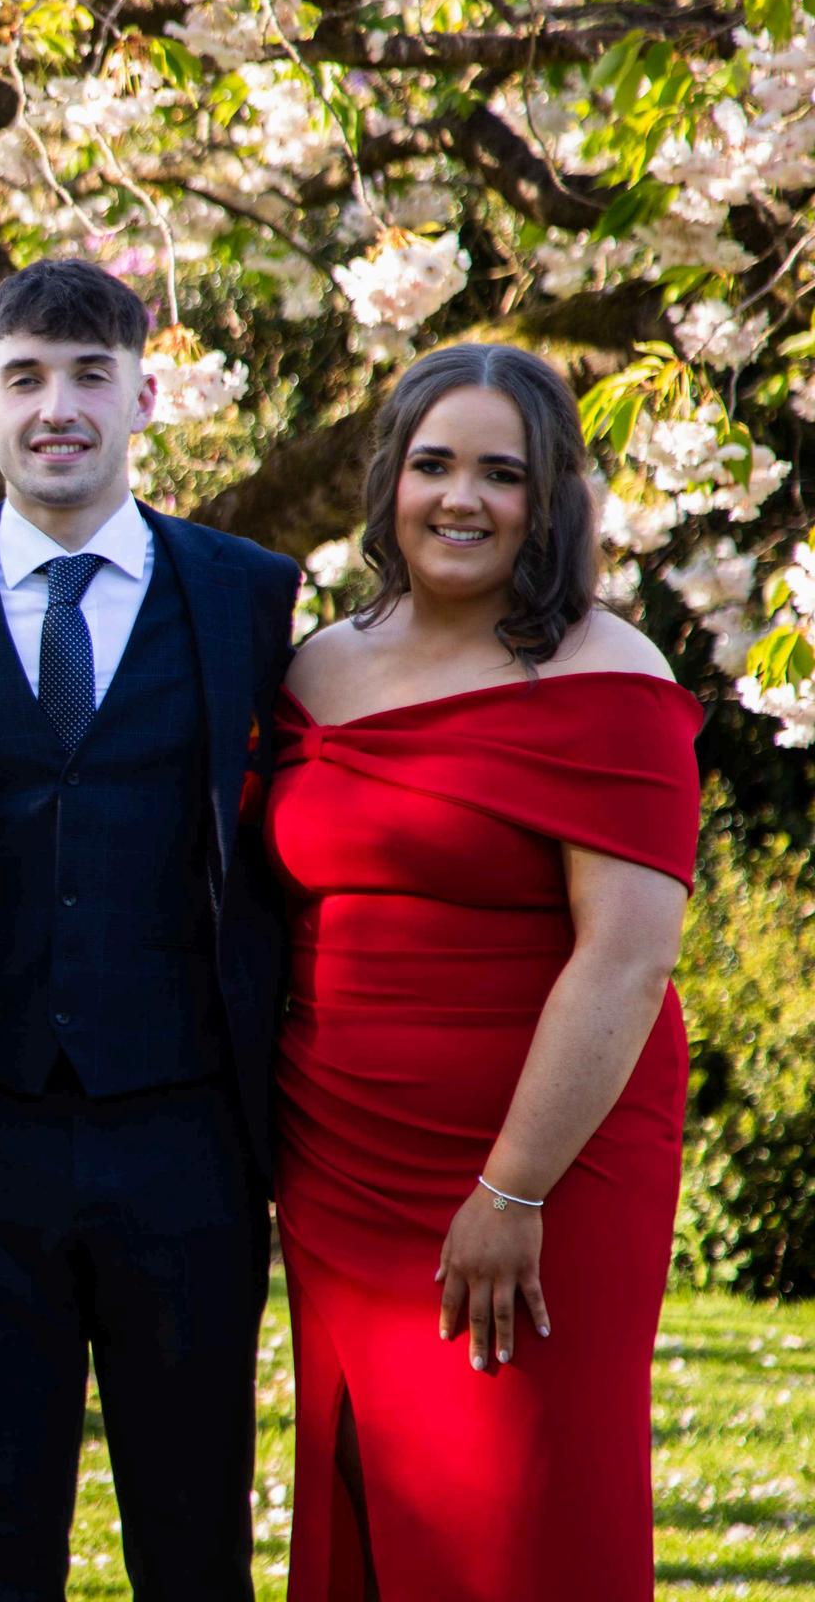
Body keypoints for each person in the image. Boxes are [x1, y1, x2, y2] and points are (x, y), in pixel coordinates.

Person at [0, 258, 300, 1600]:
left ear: (144, 397)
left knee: (194, 1538)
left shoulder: (247, 591)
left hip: (188, 1131)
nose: (58, 406)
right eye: (26, 378)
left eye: (90, 375)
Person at [266, 343, 699, 1601]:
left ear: (550, 498)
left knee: (524, 1501)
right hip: (341, 1157)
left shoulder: (610, 676)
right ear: (390, 482)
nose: (461, 498)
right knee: (375, 1484)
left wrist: (512, 1190)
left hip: (547, 1163)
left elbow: (626, 957)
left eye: (502, 474)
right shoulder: (314, 665)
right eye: (434, 464)